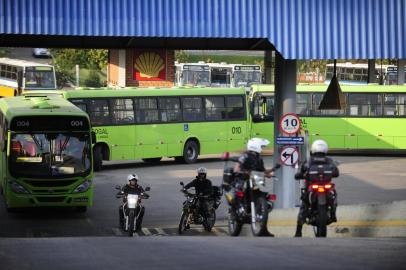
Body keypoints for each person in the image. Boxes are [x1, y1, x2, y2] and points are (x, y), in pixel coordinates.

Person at [294, 139, 339, 237]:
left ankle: (298, 232)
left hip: (312, 187)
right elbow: (336, 173)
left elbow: (299, 173)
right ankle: (333, 214)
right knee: (334, 196)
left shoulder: (309, 160)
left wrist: (299, 175)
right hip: (326, 187)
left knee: (304, 205)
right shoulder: (329, 160)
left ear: (313, 149)